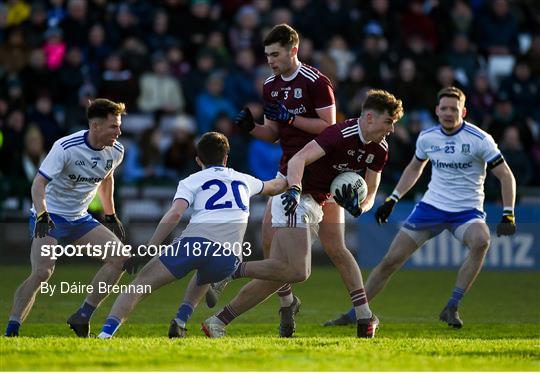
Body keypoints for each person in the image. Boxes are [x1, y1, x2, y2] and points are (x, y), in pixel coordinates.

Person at [206, 23, 366, 339]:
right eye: (267, 55)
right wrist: (251, 128)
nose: (270, 60)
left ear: (294, 49)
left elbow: (329, 129)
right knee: (271, 246)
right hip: (288, 173)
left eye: (275, 54)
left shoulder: (317, 82)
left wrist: (292, 118)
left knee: (334, 249)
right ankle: (287, 303)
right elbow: (274, 135)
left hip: (323, 175)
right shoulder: (270, 85)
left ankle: (363, 315)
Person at [201, 90, 403, 339]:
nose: (392, 130)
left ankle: (217, 321)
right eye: (389, 122)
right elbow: (298, 160)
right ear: (370, 117)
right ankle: (227, 269)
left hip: (318, 201)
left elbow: (371, 192)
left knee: (279, 272)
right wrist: (295, 191)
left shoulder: (380, 149)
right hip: (294, 195)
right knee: (298, 271)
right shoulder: (340, 134)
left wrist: (360, 207)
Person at [324, 87, 517, 328]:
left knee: (481, 241)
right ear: (437, 110)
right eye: (444, 108)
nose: (448, 113)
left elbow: (506, 175)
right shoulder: (428, 137)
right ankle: (354, 314)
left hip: (466, 211)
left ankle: (452, 306)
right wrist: (392, 199)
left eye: (453, 109)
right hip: (431, 207)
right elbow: (415, 168)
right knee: (390, 260)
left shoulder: (480, 139)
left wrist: (508, 213)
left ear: (463, 111)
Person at [97, 132, 287, 338]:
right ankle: (181, 320)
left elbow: (175, 213)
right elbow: (275, 186)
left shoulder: (192, 180)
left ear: (198, 160)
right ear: (226, 158)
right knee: (203, 272)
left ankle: (105, 335)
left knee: (141, 284)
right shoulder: (244, 179)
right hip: (229, 258)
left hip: (195, 244)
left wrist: (149, 249)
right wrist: (293, 176)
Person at [4, 99, 129, 337]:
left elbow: (107, 178)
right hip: (50, 216)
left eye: (119, 125)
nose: (119, 131)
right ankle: (12, 330)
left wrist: (110, 214)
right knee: (42, 273)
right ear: (95, 126)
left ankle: (83, 316)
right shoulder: (65, 147)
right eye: (114, 126)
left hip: (80, 218)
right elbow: (38, 184)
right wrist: (41, 215)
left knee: (121, 258)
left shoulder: (117, 150)